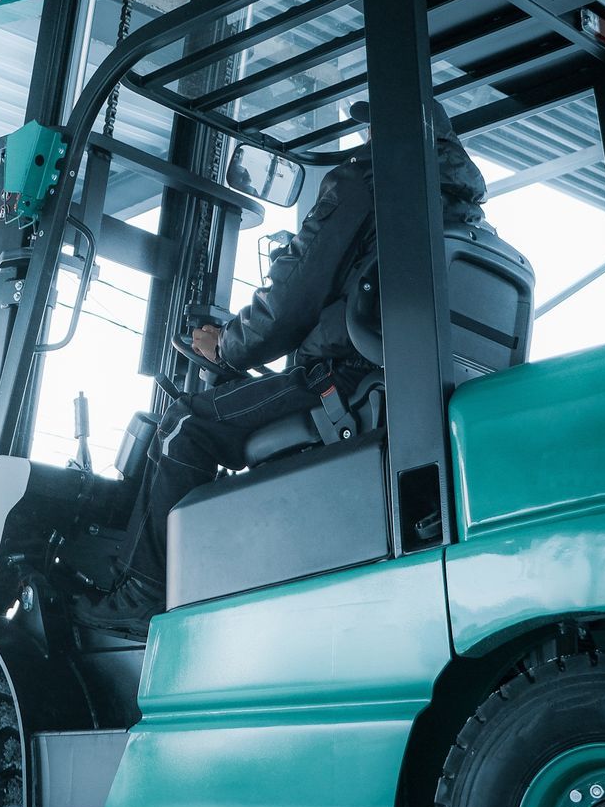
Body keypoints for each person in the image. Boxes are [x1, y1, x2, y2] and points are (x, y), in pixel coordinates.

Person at [74, 101, 488, 639]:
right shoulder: (465, 215)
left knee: (184, 429)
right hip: (402, 390)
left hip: (343, 381)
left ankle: (144, 591)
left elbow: (291, 300)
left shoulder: (366, 183)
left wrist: (227, 347)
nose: (366, 136)